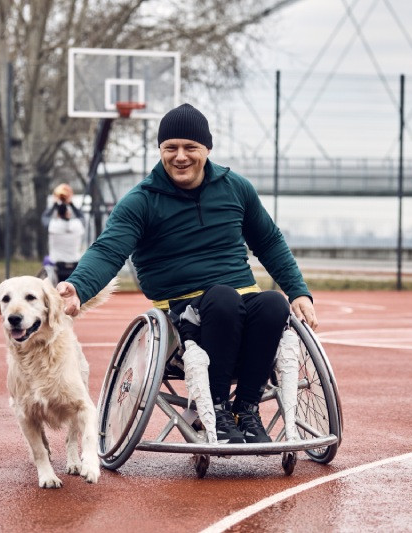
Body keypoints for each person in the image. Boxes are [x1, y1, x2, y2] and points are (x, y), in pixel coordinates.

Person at [57, 103, 317, 444]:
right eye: (171, 148)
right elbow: (108, 250)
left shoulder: (236, 188)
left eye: (190, 148)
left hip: (240, 303)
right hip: (181, 313)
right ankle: (216, 408)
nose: (180, 156)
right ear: (161, 150)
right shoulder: (141, 200)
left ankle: (247, 409)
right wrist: (78, 287)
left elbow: (269, 241)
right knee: (222, 299)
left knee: (272, 304)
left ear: (206, 149)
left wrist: (297, 291)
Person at [41, 183, 87, 283]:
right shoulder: (77, 225)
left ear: (57, 214)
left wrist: (54, 204)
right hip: (75, 265)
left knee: (46, 260)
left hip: (57, 267)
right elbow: (81, 216)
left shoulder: (53, 226)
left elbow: (44, 217)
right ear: (68, 213)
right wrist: (71, 203)